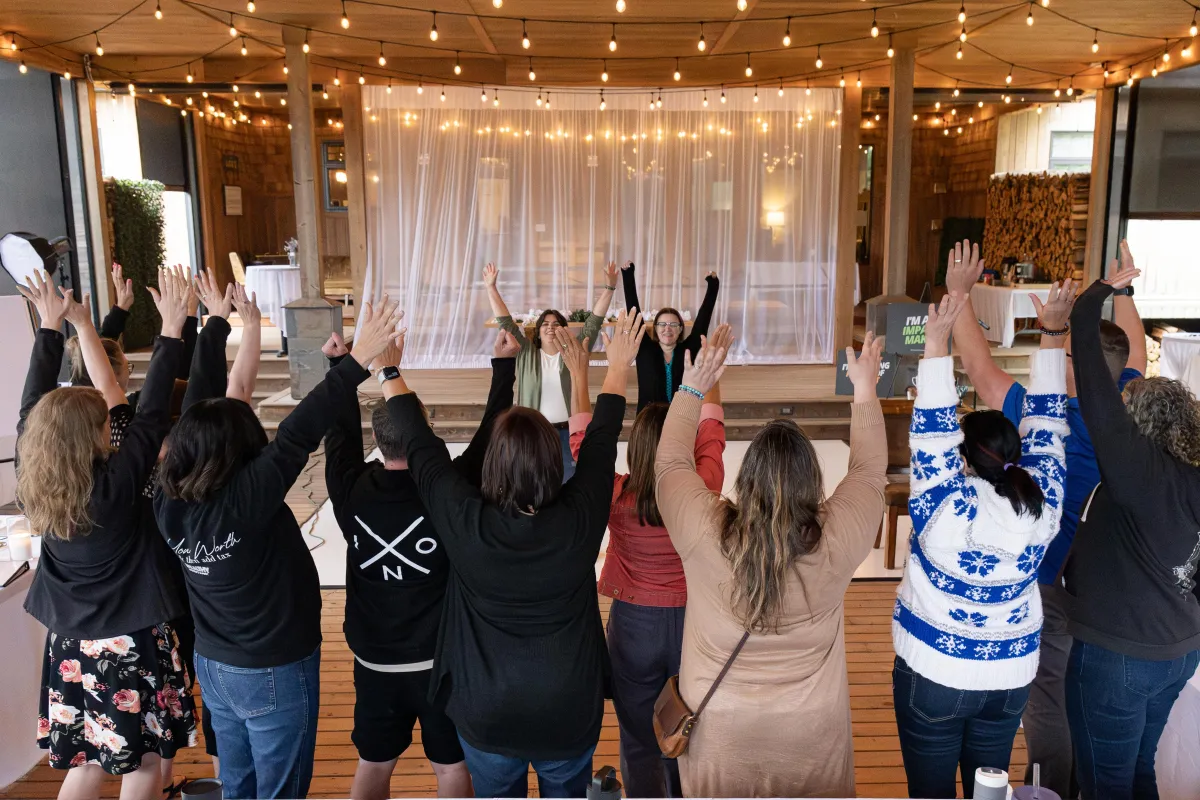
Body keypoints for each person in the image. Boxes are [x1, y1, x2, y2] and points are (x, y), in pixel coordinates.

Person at [381, 308, 646, 798]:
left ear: (492, 465)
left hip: (486, 709)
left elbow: (421, 449)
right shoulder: (580, 520)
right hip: (567, 707)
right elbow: (602, 440)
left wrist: (390, 371)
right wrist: (617, 366)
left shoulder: (465, 521)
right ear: (553, 462)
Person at [154, 298, 403, 800]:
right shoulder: (245, 501)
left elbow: (215, 407)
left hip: (215, 666)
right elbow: (298, 433)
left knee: (238, 785)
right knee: (279, 792)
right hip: (271, 671)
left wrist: (231, 326)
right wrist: (354, 365)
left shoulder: (168, 496)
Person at [947, 240, 1146, 798]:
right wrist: (1122, 291)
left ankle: (1049, 789)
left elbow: (979, 369)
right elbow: (1135, 357)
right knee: (1097, 694)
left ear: (1075, 366)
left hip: (1054, 581)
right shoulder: (1131, 398)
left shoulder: (1044, 414)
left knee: (1048, 697)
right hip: (1115, 585)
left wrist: (959, 294)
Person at [655, 329, 888, 797]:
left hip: (720, 736)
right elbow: (868, 471)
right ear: (811, 481)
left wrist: (691, 387)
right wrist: (865, 388)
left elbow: (670, 466)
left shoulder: (705, 533)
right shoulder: (837, 538)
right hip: (811, 740)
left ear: (747, 478)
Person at [17, 269, 197, 798]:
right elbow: (152, 406)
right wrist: (172, 328)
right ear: (92, 436)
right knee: (141, 761)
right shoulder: (116, 486)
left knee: (88, 764)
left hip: (70, 641)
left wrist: (51, 329)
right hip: (133, 640)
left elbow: (32, 409)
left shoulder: (35, 481)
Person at [321, 326, 522, 800]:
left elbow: (338, 438)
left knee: (373, 764)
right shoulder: (447, 488)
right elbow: (495, 430)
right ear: (423, 431)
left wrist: (339, 369)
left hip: (375, 658)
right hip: (440, 660)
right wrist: (503, 367)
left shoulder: (351, 489)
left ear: (377, 438)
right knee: (451, 770)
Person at [894, 286, 1072, 799]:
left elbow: (930, 432)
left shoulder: (944, 504)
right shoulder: (1043, 502)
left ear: (964, 460)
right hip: (1009, 675)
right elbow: (1048, 425)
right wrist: (1053, 334)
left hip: (935, 672)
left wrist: (935, 345)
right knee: (989, 792)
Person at [560, 324, 729, 798]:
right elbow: (712, 430)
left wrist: (577, 376)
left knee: (637, 737)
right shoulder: (701, 489)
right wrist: (708, 370)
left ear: (634, 449)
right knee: (686, 729)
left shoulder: (614, 495)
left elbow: (581, 445)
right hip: (693, 621)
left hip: (633, 623)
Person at [1063, 274, 1200, 800]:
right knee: (1139, 772)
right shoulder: (1190, 477)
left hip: (1119, 656)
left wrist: (1099, 292)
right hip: (1177, 649)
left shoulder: (1136, 472)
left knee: (1105, 784)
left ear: (1135, 423)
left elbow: (1094, 374)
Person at [483, 260, 618, 480]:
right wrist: (491, 287)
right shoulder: (526, 353)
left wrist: (610, 288)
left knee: (567, 483)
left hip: (566, 434)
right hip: (531, 433)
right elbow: (505, 322)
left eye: (556, 324)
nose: (550, 327)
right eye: (545, 324)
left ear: (564, 330)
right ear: (537, 331)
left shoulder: (573, 353)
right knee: (529, 482)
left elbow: (594, 322)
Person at [619, 261, 720, 412]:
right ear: (655, 328)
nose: (667, 329)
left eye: (673, 325)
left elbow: (704, 318)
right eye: (662, 325)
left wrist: (713, 286)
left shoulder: (689, 349)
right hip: (648, 422)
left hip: (681, 417)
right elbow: (634, 312)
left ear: (680, 329)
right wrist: (627, 275)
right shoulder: (645, 348)